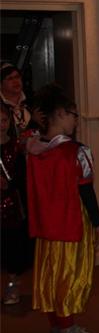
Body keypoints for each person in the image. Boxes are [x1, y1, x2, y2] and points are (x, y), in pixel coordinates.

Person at [25, 85, 99, 333]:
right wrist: (98, 224)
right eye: (74, 115)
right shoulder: (76, 152)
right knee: (70, 275)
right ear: (60, 114)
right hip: (71, 222)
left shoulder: (32, 149)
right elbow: (86, 192)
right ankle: (68, 331)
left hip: (46, 226)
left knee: (50, 275)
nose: (76, 121)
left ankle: (57, 328)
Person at [1, 103, 33, 305]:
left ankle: (13, 285)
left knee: (12, 248)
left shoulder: (15, 147)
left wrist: (9, 184)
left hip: (11, 206)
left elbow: (22, 178)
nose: (1, 125)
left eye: (4, 120)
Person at [0, 63, 31, 136]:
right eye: (10, 78)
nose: (15, 81)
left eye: (17, 77)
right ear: (0, 84)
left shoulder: (32, 102)